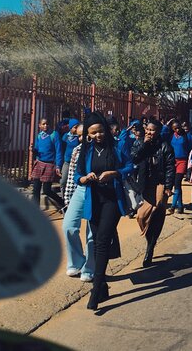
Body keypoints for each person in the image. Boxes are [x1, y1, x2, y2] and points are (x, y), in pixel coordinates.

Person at [74, 112, 134, 310]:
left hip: (112, 201)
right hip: (94, 201)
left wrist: (114, 173)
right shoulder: (87, 150)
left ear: (105, 130)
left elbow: (129, 166)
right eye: (93, 133)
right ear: (88, 135)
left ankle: (95, 290)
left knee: (101, 241)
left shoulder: (117, 146)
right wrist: (84, 179)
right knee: (96, 240)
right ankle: (104, 285)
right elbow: (78, 175)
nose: (98, 135)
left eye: (100, 131)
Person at [130, 119, 175, 267]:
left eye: (152, 130)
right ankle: (150, 238)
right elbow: (134, 158)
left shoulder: (165, 146)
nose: (149, 132)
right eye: (148, 130)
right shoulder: (139, 143)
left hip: (160, 184)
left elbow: (170, 167)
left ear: (158, 131)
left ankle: (150, 249)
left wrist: (168, 186)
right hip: (145, 184)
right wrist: (144, 144)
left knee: (158, 211)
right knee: (141, 216)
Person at [62, 123, 94, 282]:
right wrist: (68, 199)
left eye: (85, 135)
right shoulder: (77, 151)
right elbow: (71, 178)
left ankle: (90, 267)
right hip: (80, 191)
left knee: (92, 232)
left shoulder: (102, 149)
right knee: (68, 226)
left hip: (97, 192)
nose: (82, 139)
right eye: (79, 136)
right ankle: (76, 262)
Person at [31, 118, 64, 210]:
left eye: (47, 124)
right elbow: (37, 149)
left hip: (49, 164)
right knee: (36, 189)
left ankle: (62, 203)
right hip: (39, 163)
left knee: (47, 190)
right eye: (43, 124)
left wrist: (58, 165)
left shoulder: (54, 135)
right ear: (39, 125)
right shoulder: (39, 136)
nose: (45, 126)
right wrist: (34, 150)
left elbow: (58, 151)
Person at [169, 121, 192, 215]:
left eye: (178, 127)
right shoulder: (171, 136)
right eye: (175, 128)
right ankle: (180, 205)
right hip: (173, 161)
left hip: (182, 161)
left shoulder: (186, 136)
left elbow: (190, 148)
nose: (177, 130)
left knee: (177, 182)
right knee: (176, 185)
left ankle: (173, 206)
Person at [60, 119, 81, 196]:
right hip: (67, 162)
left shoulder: (79, 137)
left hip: (76, 163)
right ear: (71, 128)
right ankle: (63, 197)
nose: (76, 129)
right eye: (75, 127)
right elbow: (62, 148)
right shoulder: (66, 136)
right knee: (63, 181)